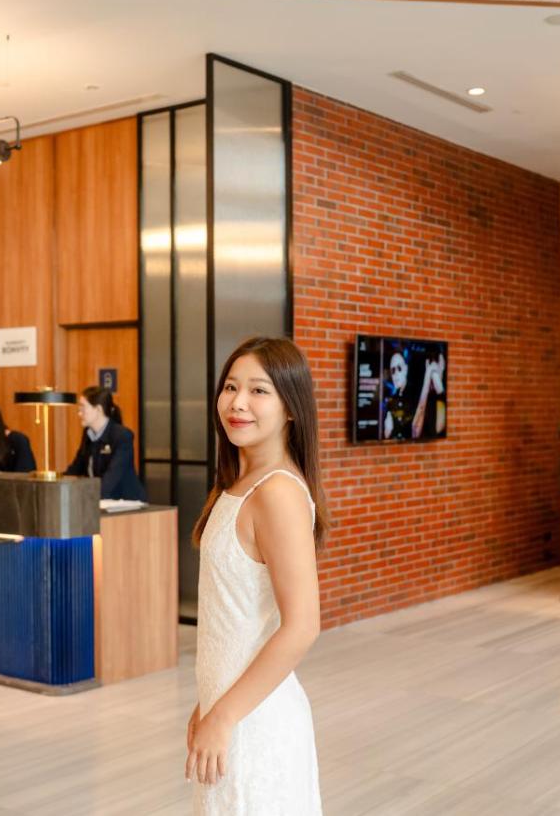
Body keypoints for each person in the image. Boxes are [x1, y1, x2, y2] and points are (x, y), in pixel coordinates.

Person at [186, 336, 327, 814]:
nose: (237, 402)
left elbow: (302, 626)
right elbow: (235, 620)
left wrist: (223, 715)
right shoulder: (238, 485)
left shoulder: (277, 493)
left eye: (258, 390)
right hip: (233, 712)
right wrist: (209, 704)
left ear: (291, 409)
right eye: (230, 387)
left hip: (255, 722)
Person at [64, 386, 146, 501]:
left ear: (98, 409)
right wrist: (59, 483)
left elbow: (112, 476)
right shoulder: (88, 434)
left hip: (125, 503)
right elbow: (76, 468)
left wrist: (90, 498)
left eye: (83, 407)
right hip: (101, 501)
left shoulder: (122, 436)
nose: (79, 413)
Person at [382, 343, 446, 440]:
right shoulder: (392, 399)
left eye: (399, 368)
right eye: (393, 370)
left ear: (406, 369)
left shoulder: (417, 394)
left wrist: (434, 381)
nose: (395, 374)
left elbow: (418, 431)